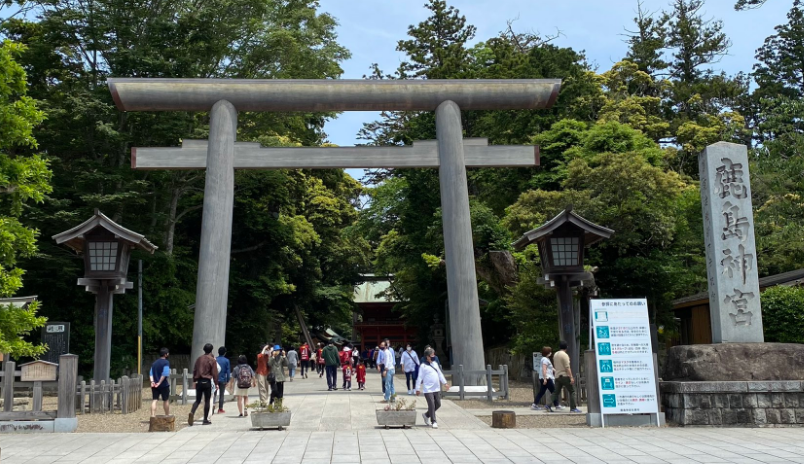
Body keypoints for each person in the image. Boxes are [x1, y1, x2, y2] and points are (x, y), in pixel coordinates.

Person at [416, 348, 450, 429]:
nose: (434, 356)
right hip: (428, 389)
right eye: (432, 355)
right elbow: (419, 377)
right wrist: (417, 389)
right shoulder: (423, 366)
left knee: (438, 404)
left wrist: (445, 383)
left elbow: (440, 374)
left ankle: (426, 415)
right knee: (431, 404)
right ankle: (434, 421)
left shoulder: (435, 364)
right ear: (427, 356)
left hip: (436, 388)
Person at [189, 343, 218, 426]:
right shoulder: (212, 360)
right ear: (211, 350)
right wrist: (216, 383)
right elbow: (214, 373)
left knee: (197, 400)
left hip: (199, 381)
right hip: (207, 381)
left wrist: (194, 381)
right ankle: (205, 419)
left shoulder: (199, 359)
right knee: (207, 400)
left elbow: (195, 370)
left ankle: (192, 412)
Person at [548, 341, 581, 413]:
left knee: (555, 392)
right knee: (572, 391)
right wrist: (571, 377)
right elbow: (567, 367)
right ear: (566, 347)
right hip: (565, 375)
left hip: (557, 375)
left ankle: (548, 405)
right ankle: (573, 408)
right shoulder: (565, 355)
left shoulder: (556, 354)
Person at [532, 346, 560, 411]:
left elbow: (550, 368)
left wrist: (556, 371)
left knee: (542, 392)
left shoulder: (545, 359)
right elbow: (544, 369)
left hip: (544, 377)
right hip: (547, 378)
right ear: (548, 352)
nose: (551, 353)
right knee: (553, 391)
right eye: (550, 352)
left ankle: (534, 404)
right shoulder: (545, 360)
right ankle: (557, 405)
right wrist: (545, 378)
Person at [149, 347, 170, 417]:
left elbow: (151, 373)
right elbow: (165, 373)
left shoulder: (154, 363)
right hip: (164, 385)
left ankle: (152, 415)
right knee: (166, 400)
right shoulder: (166, 362)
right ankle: (167, 415)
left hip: (154, 385)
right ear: (165, 354)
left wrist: (152, 381)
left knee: (155, 400)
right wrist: (159, 382)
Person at [214, 346, 231, 414]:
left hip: (215, 379)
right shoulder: (226, 360)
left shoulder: (215, 359)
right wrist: (228, 380)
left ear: (218, 352)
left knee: (213, 394)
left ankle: (212, 406)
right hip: (223, 379)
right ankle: (220, 409)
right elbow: (228, 371)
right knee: (221, 395)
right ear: (225, 353)